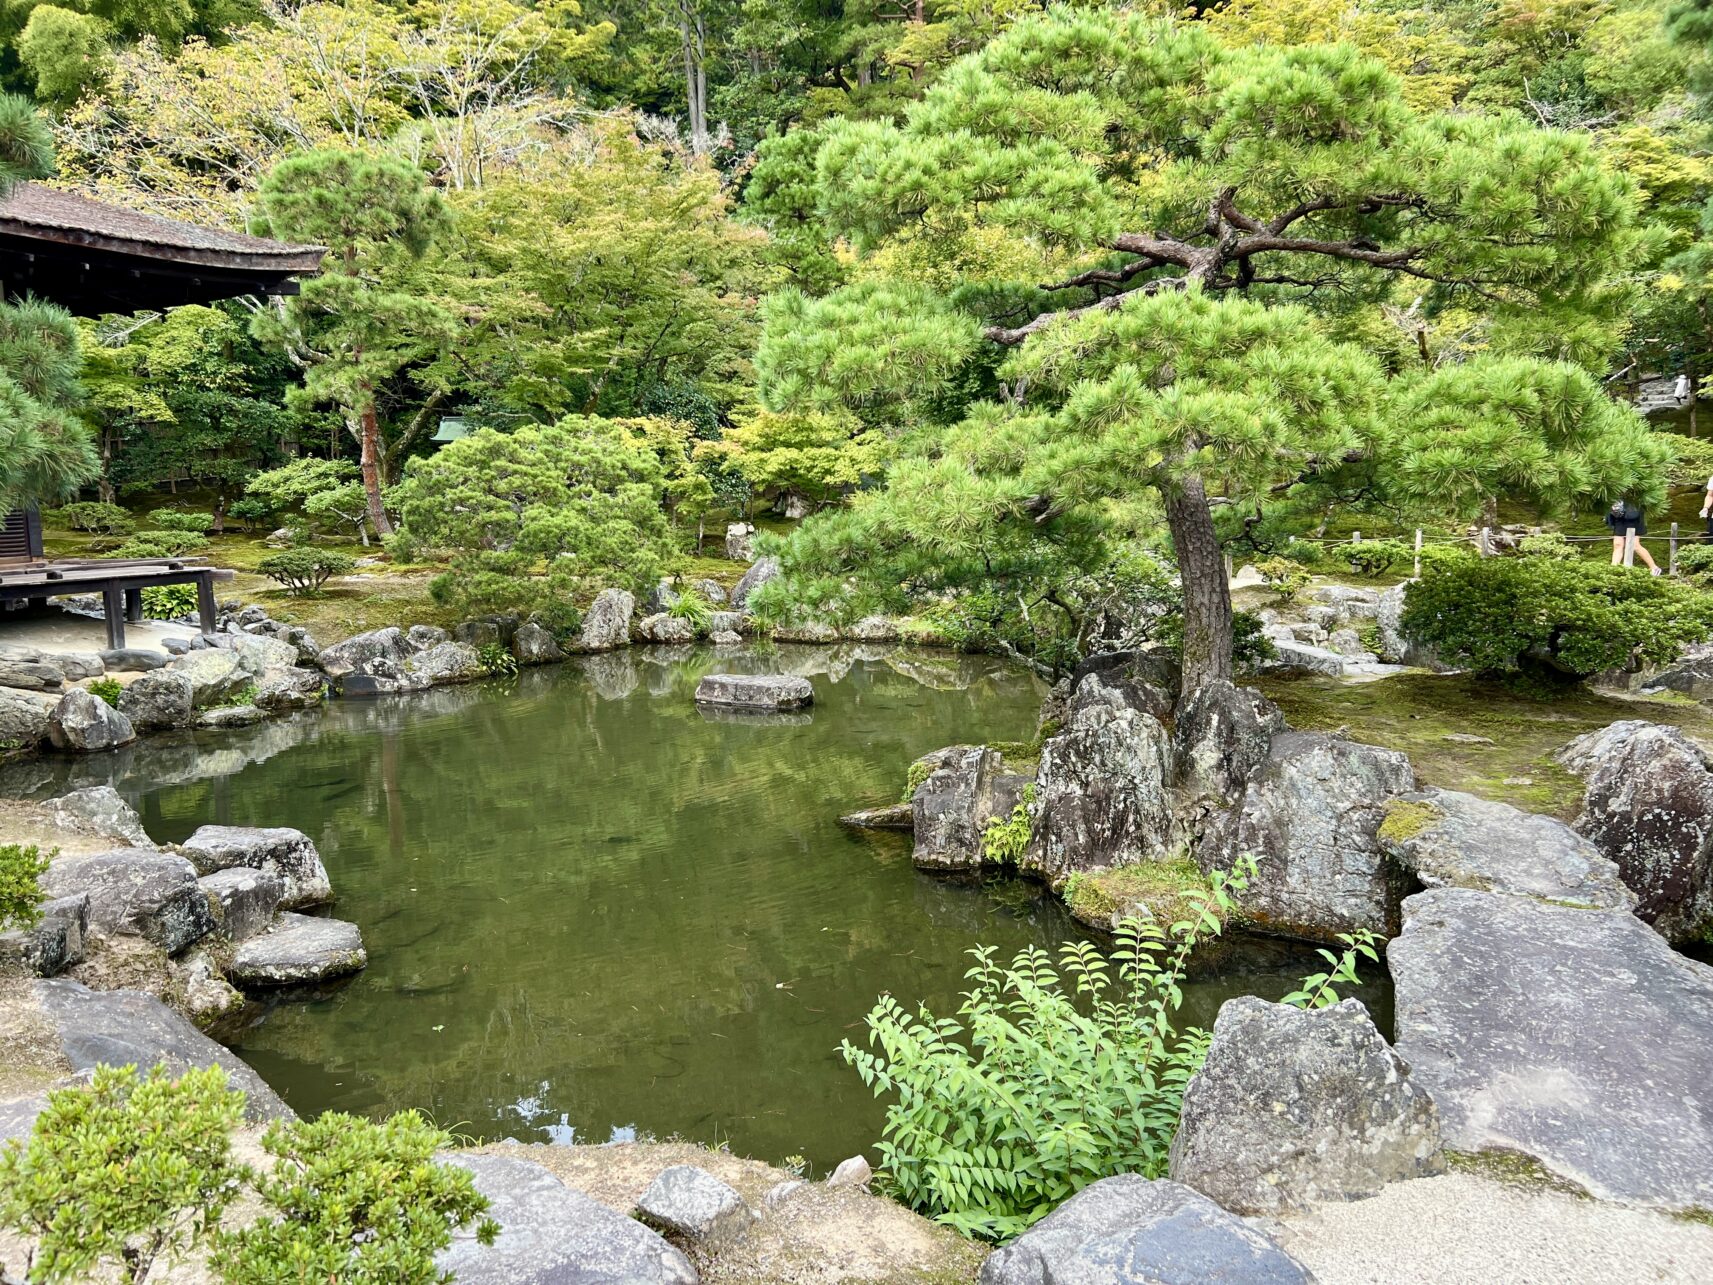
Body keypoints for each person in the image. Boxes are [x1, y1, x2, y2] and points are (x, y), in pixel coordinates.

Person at [1607, 498, 1661, 574]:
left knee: (1635, 545)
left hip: (1633, 515)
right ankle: (1613, 570)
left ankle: (1654, 568)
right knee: (1618, 544)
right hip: (1618, 515)